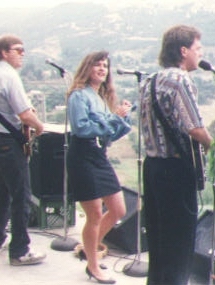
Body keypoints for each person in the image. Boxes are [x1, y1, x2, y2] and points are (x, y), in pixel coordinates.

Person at [139, 25, 212, 285]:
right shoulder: (179, 79)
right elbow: (194, 127)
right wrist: (213, 146)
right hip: (175, 171)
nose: (200, 53)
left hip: (153, 168)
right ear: (183, 51)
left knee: (159, 246)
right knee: (179, 246)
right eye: (197, 48)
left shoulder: (150, 80)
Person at [65, 51, 132, 284]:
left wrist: (124, 118)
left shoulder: (100, 97)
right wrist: (113, 117)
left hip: (99, 156)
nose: (103, 69)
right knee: (93, 214)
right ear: (87, 69)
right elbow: (82, 129)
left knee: (118, 210)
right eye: (97, 65)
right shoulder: (78, 96)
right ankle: (93, 266)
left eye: (105, 66)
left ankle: (88, 249)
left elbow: (109, 134)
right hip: (82, 156)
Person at [0, 34, 46, 266]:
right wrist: (39, 127)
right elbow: (25, 114)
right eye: (18, 50)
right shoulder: (9, 76)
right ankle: (20, 251)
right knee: (22, 195)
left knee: (3, 192)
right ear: (4, 52)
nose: (22, 54)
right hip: (8, 143)